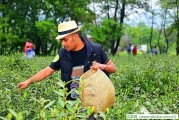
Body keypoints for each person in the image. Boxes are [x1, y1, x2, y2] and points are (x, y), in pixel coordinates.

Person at [17, 20, 116, 100]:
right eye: (61, 41)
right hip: (71, 106)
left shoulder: (96, 50)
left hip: (94, 104)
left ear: (75, 36)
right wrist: (28, 81)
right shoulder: (62, 54)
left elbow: (113, 68)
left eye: (65, 39)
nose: (63, 44)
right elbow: (47, 71)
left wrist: (102, 66)